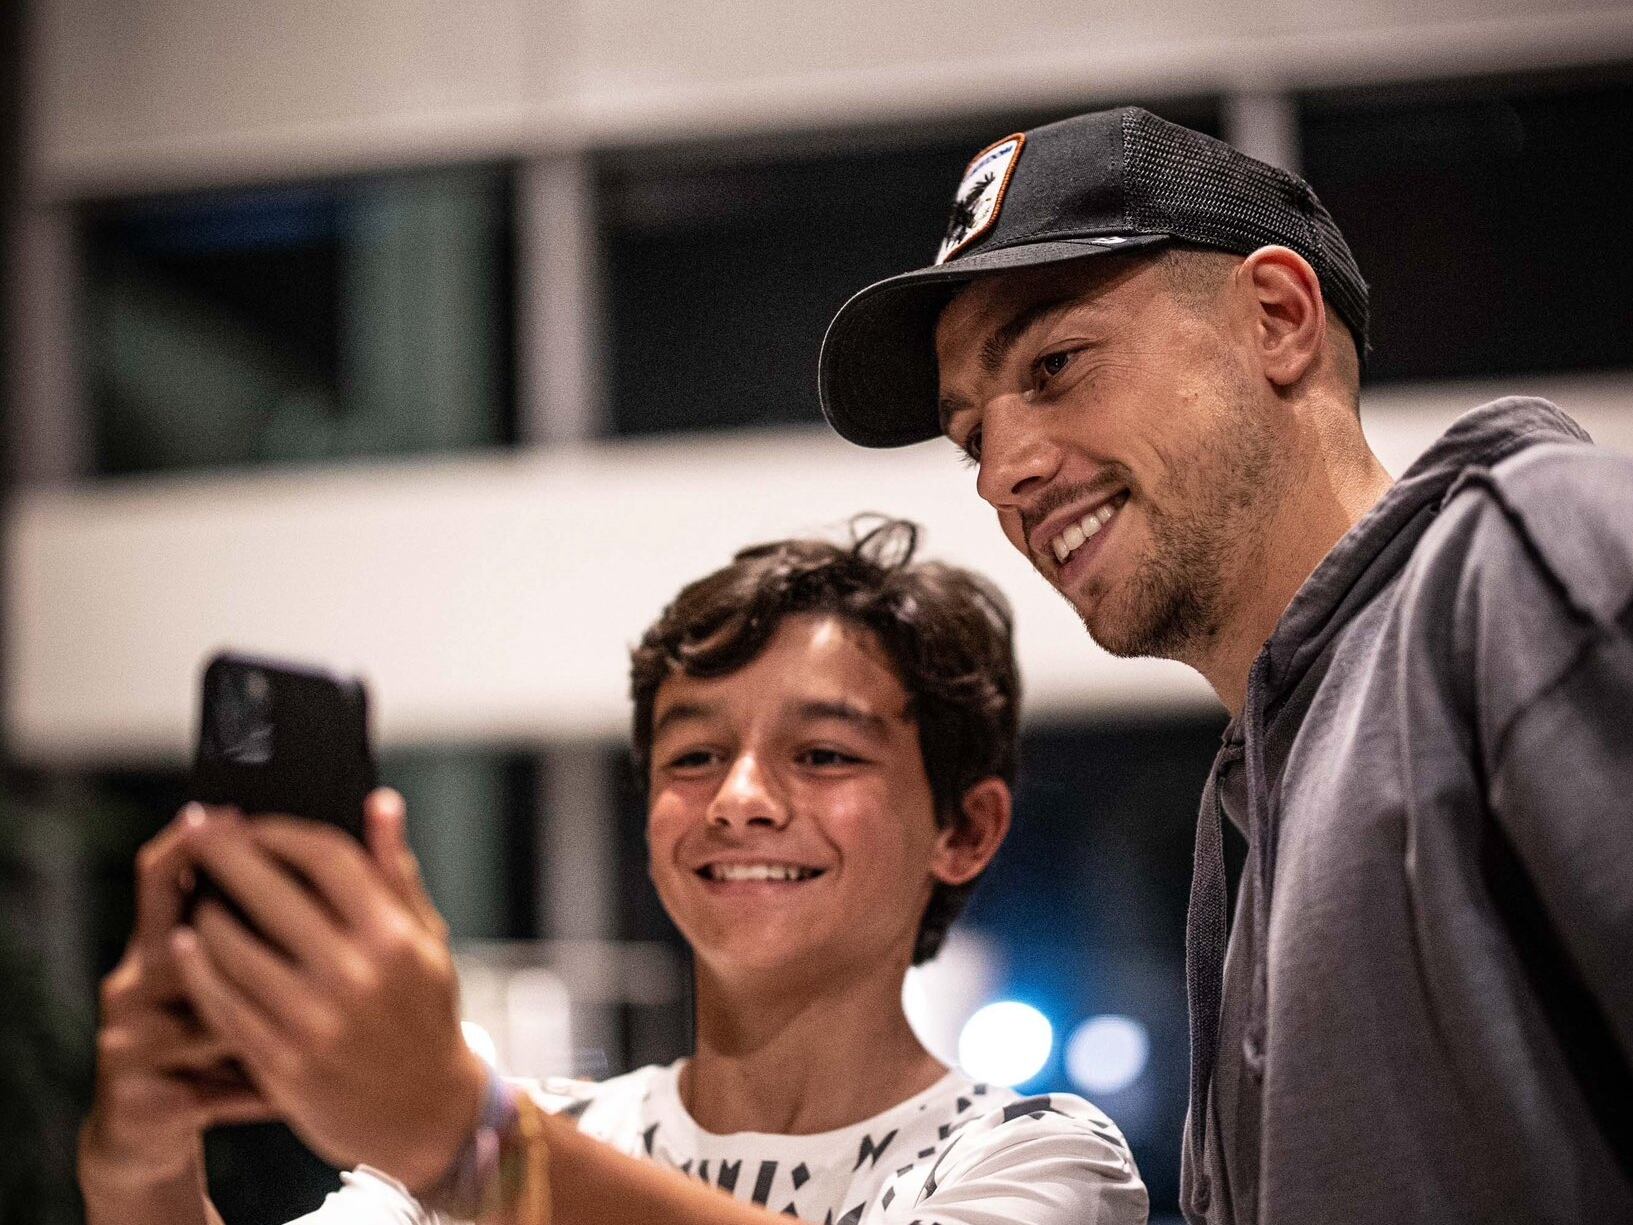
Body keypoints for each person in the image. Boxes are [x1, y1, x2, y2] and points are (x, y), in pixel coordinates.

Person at [817, 107, 1633, 1224]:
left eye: (1055, 364)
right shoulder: (1255, 795)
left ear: (1278, 318)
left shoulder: (1528, 559)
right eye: (970, 438)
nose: (1001, 473)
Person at [78, 519, 1149, 1225]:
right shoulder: (529, 1130)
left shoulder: (1033, 1154)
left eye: (821, 754)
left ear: (964, 828)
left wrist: (473, 1142)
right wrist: (142, 1163)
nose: (739, 797)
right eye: (692, 756)